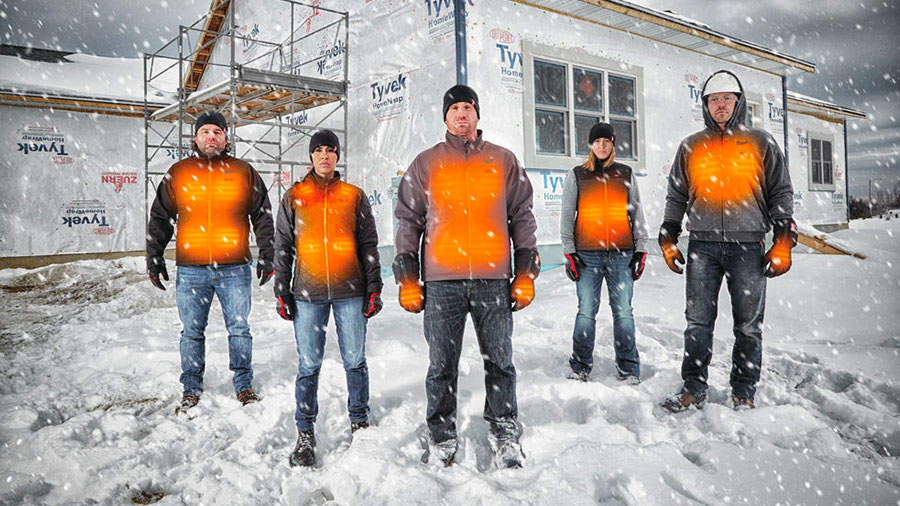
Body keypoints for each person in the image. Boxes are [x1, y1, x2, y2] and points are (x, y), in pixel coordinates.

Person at [393, 84, 540, 469]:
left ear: (477, 114)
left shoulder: (503, 160)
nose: (461, 114)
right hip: (442, 282)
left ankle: (504, 429)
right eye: (454, 108)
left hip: (494, 279)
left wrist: (525, 272)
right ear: (445, 117)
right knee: (441, 365)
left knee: (501, 362)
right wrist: (408, 276)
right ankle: (441, 436)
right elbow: (408, 220)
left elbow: (522, 216)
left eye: (468, 107)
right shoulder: (425, 163)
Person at [658, 70, 797, 412]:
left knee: (748, 326)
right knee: (697, 322)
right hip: (702, 247)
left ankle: (744, 391)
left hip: (748, 247)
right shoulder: (691, 145)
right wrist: (668, 235)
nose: (720, 105)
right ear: (705, 105)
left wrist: (782, 240)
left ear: (738, 103)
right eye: (713, 100)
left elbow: (780, 191)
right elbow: (676, 194)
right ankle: (693, 388)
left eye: (726, 99)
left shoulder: (761, 142)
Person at [146, 110, 275, 413]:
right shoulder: (178, 173)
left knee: (240, 329)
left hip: (235, 267)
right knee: (191, 331)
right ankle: (191, 388)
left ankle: (243, 385)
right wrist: (154, 257)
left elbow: (262, 216)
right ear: (195, 138)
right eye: (205, 132)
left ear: (226, 138)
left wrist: (268, 254)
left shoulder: (243, 171)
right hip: (192, 268)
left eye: (217, 132)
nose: (211, 137)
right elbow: (160, 217)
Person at [273, 129, 383, 468]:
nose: (324, 156)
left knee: (355, 361)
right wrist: (282, 287)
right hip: (308, 293)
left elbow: (368, 245)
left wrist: (374, 285)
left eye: (330, 151)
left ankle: (360, 423)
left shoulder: (354, 195)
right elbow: (283, 247)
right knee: (308, 364)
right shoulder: (294, 196)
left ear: (337, 156)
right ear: (311, 156)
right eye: (318, 150)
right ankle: (305, 433)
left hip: (351, 291)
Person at [560, 122, 650, 384]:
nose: (601, 146)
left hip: (622, 254)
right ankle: (580, 365)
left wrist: (641, 249)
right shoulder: (578, 175)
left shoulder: (625, 173)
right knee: (586, 310)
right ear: (591, 145)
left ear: (612, 144)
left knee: (623, 311)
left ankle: (629, 367)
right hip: (587, 255)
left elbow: (637, 213)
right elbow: (567, 215)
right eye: (597, 141)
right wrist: (570, 252)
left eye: (606, 142)